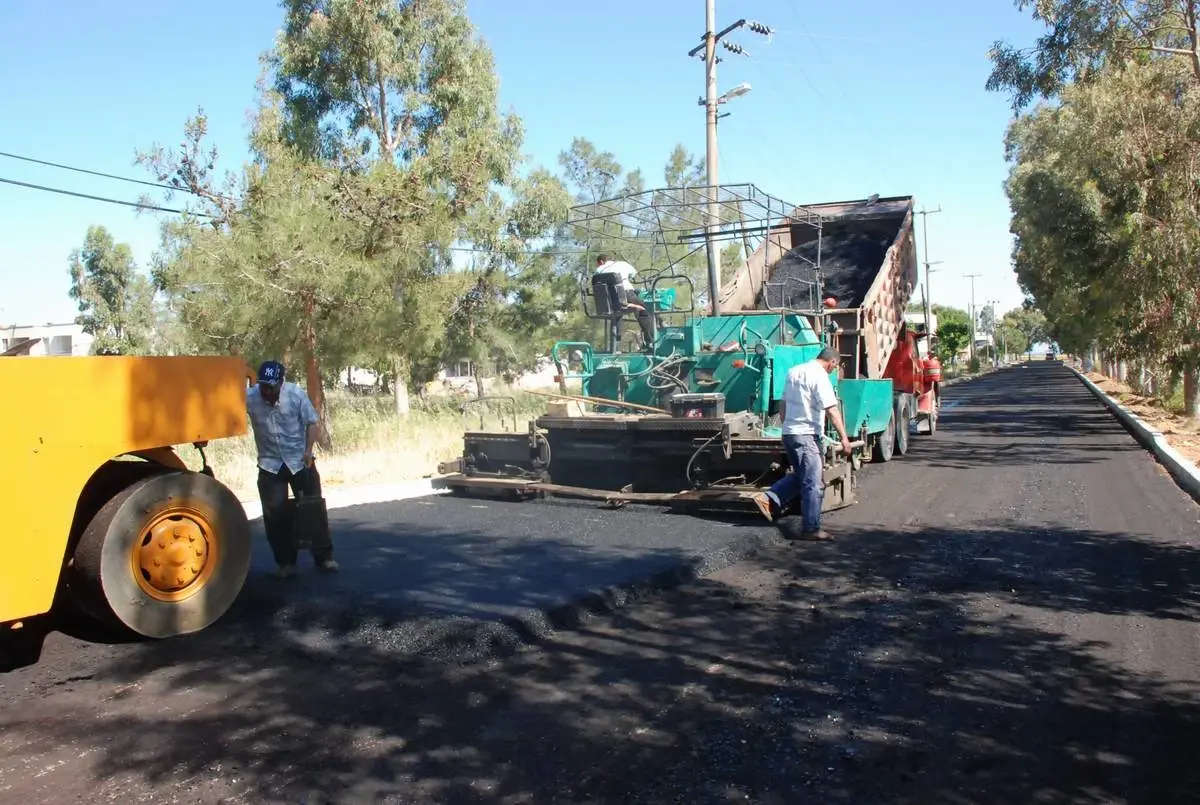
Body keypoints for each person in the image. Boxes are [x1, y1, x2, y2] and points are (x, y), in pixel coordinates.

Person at [246, 360, 339, 577]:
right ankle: (285, 563)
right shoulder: (249, 398)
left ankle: (324, 558)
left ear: (281, 382)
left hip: (300, 461)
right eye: (263, 386)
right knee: (275, 516)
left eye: (271, 386)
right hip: (270, 465)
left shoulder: (295, 395)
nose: (267, 392)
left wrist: (308, 450)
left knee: (312, 509)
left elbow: (312, 423)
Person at [752, 346, 853, 540]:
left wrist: (786, 427)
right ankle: (811, 529)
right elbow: (832, 410)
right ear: (832, 362)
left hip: (790, 433)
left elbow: (783, 404)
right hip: (807, 435)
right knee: (813, 483)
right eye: (835, 366)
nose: (833, 369)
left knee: (802, 475)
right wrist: (844, 438)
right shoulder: (820, 376)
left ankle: (768, 498)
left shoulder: (794, 372)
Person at [594, 254, 654, 350]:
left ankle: (615, 345)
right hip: (625, 295)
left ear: (601, 262)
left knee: (616, 314)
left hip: (608, 301)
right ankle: (650, 342)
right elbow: (633, 274)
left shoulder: (599, 270)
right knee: (645, 311)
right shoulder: (623, 264)